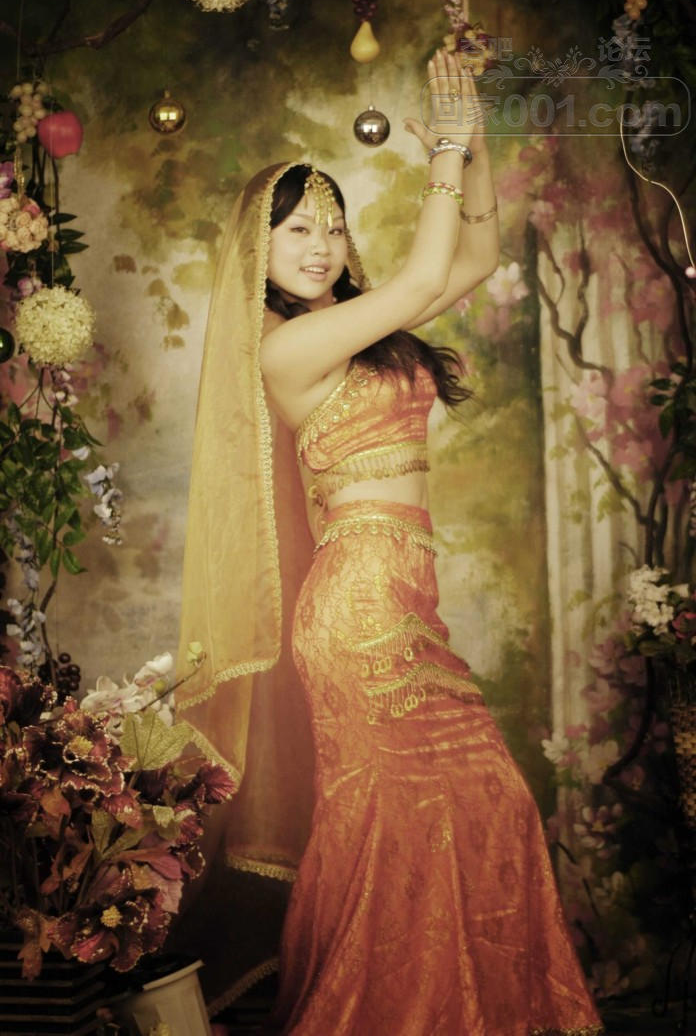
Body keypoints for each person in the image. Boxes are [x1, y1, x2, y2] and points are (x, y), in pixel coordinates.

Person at [177, 50, 603, 1035]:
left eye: (332, 225)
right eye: (297, 228)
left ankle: (460, 1011)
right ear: (258, 248)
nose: (320, 245)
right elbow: (419, 278)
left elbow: (472, 262)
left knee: (485, 800)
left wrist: (474, 138)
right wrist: (444, 148)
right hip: (358, 607)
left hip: (410, 601)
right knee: (397, 816)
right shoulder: (285, 347)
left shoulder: (366, 330)